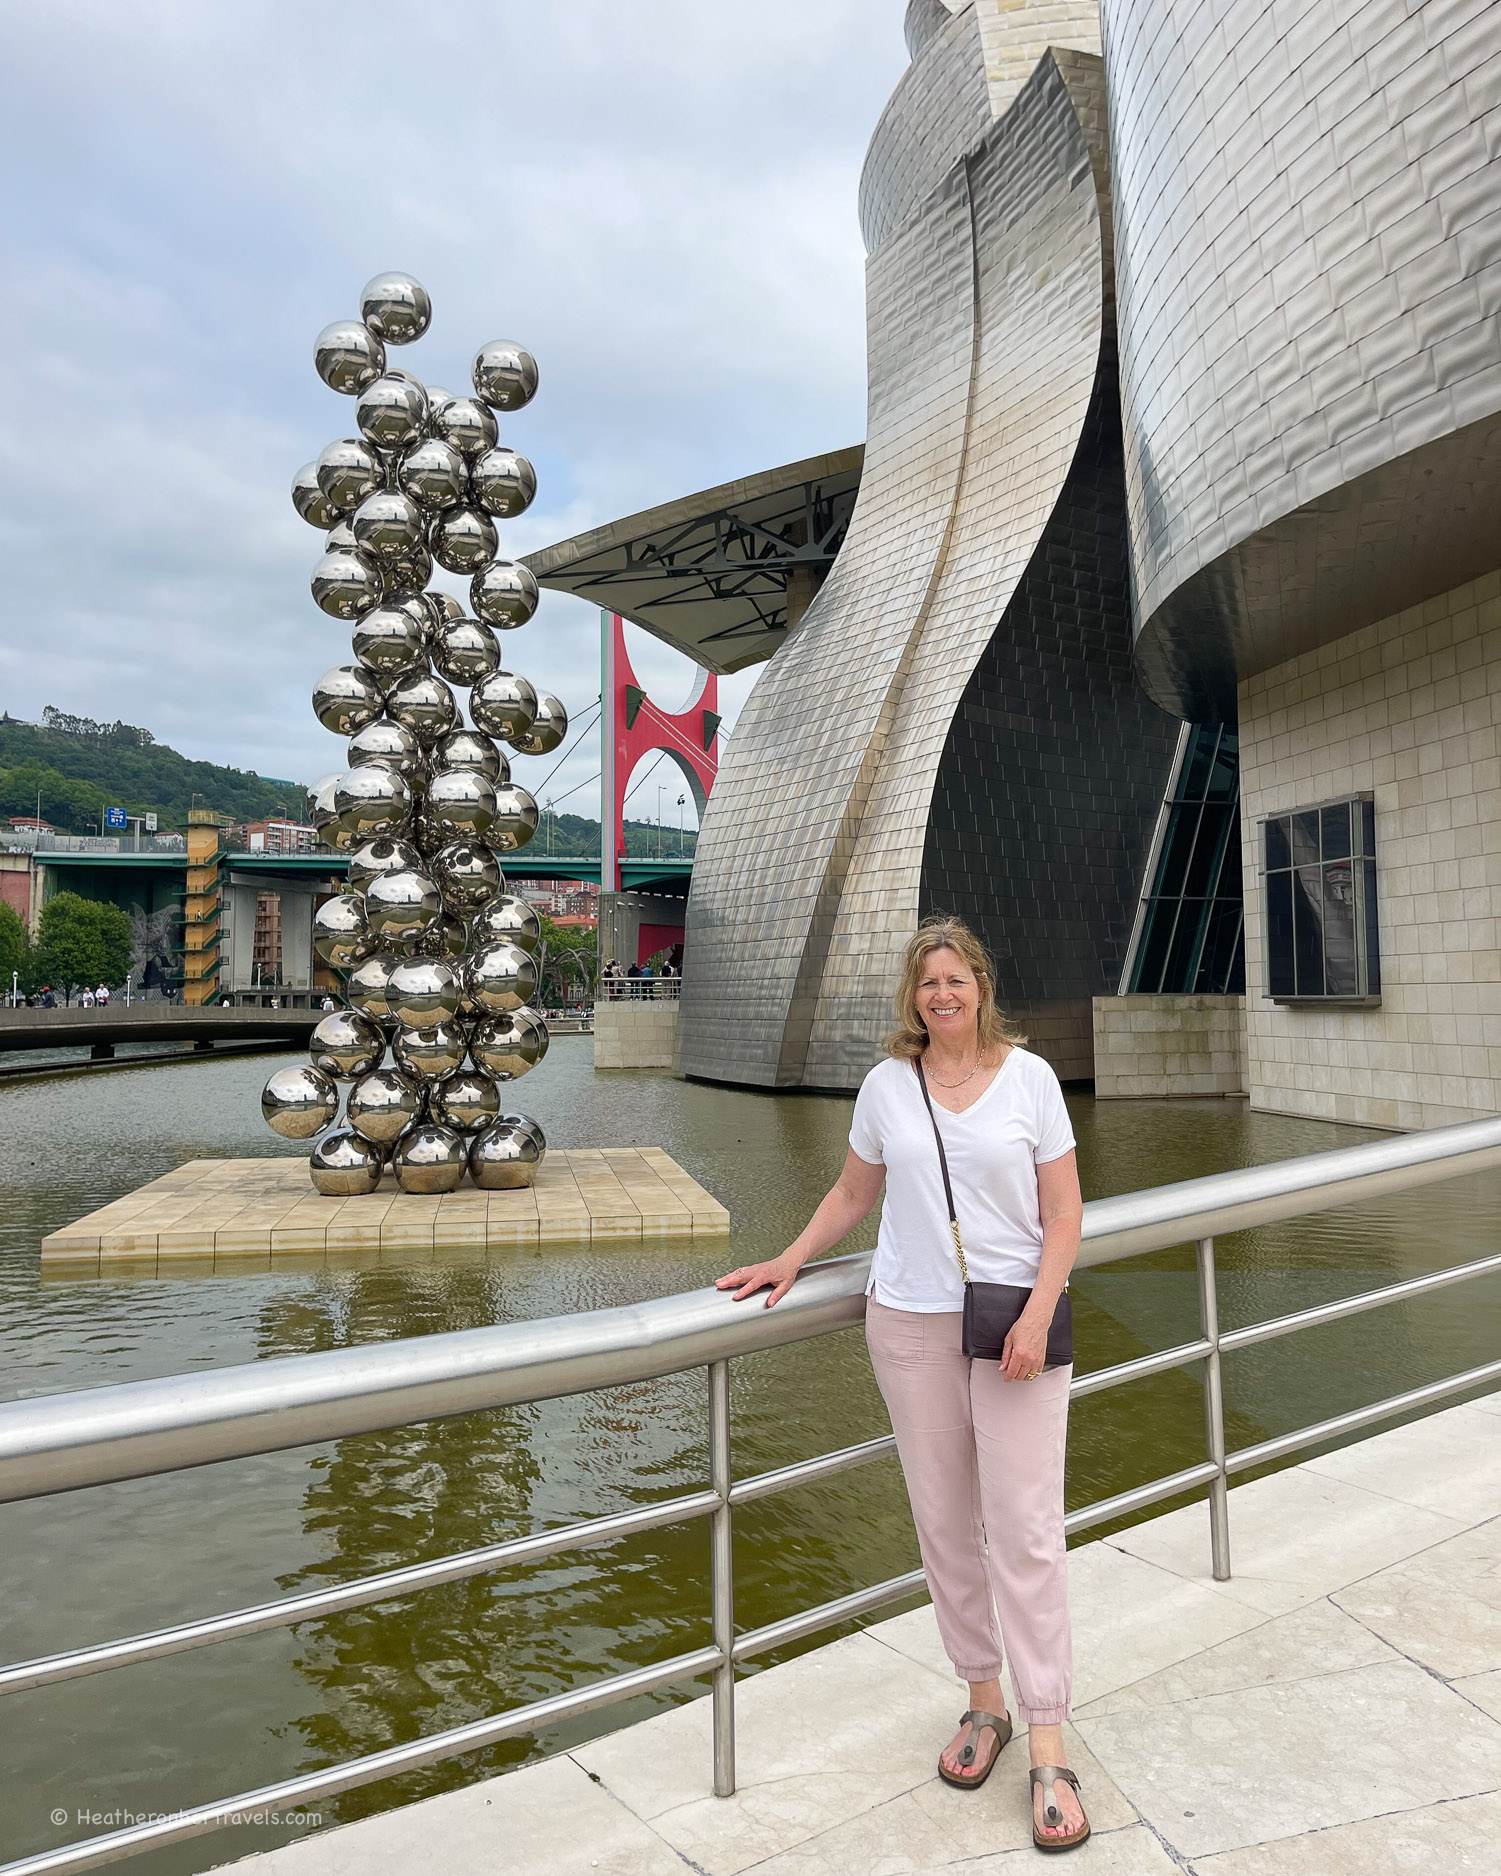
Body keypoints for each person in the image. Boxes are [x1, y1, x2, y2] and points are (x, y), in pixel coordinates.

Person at [715, 918, 1088, 1851]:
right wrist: (789, 1259)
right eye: (926, 983)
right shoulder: (887, 1085)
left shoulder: (1031, 1079)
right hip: (909, 1322)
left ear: (980, 986)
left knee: (1027, 1533)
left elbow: (1064, 1210)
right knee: (943, 1525)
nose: (942, 995)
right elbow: (853, 1193)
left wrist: (1041, 1313)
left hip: (1013, 1326)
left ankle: (1048, 1741)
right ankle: (983, 1700)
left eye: (955, 979)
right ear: (911, 996)